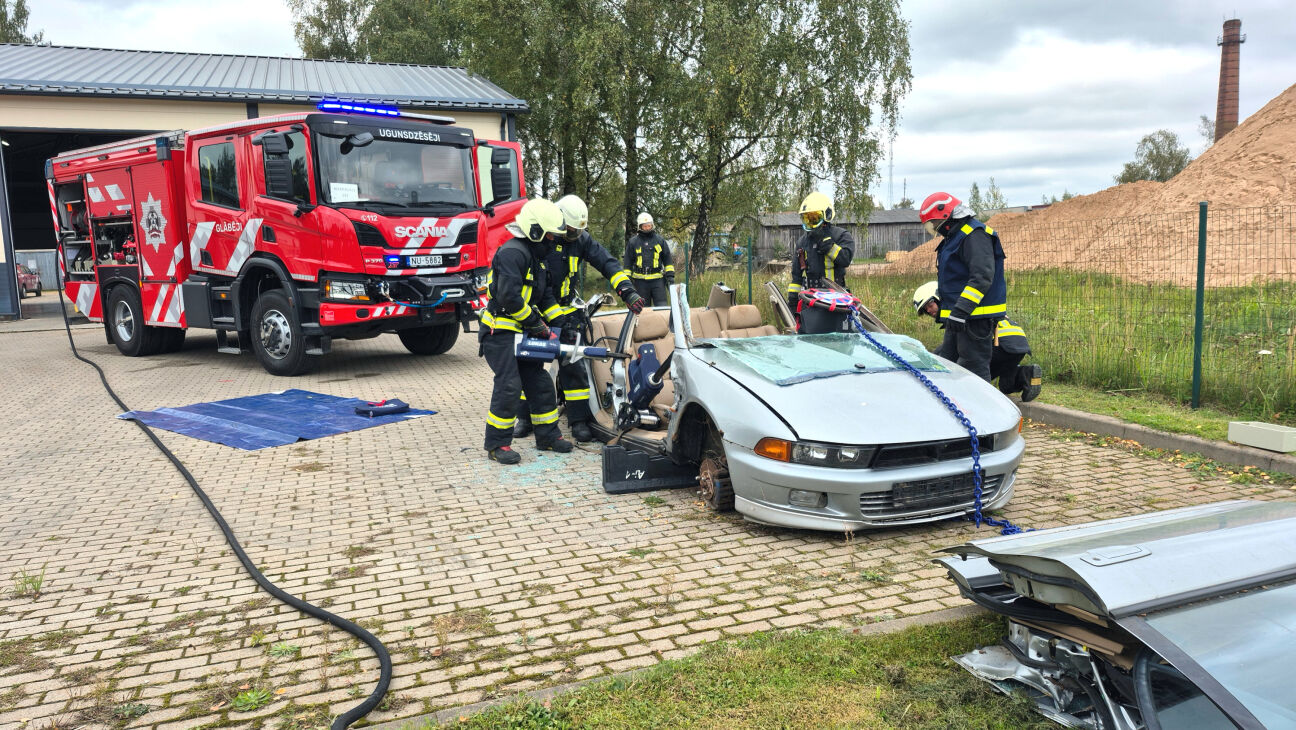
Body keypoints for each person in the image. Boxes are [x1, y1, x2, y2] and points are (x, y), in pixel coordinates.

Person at [513, 195, 646, 443]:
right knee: (530, 366)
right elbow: (543, 287)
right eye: (571, 230)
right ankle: (525, 417)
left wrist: (626, 289)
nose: (574, 235)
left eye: (578, 231)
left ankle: (578, 421)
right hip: (538, 313)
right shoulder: (544, 239)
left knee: (574, 367)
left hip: (567, 311)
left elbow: (607, 263)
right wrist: (553, 319)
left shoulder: (581, 240)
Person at [479, 198, 574, 465]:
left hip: (522, 333)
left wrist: (562, 326)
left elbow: (545, 298)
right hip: (500, 332)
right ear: (536, 232)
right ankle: (498, 444)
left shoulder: (537, 260)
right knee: (510, 385)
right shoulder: (513, 253)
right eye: (551, 236)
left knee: (540, 383)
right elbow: (509, 297)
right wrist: (536, 324)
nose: (554, 242)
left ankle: (548, 437)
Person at [918, 192, 1007, 382]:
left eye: (933, 223)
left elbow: (981, 278)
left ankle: (980, 408)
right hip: (959, 317)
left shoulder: (975, 235)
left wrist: (960, 311)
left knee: (973, 367)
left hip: (974, 317)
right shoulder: (956, 236)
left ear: (945, 215)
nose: (934, 228)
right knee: (946, 361)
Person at [912, 281, 1040, 400]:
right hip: (1018, 345)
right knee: (1005, 385)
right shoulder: (974, 304)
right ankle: (1026, 374)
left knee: (969, 373)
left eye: (930, 305)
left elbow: (947, 352)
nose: (929, 311)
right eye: (925, 311)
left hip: (999, 345)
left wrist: (929, 366)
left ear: (939, 297)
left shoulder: (957, 313)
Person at [785, 191, 855, 315]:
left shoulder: (841, 236)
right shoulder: (802, 242)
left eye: (814, 218)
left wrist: (827, 245)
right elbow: (796, 276)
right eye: (807, 219)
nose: (810, 223)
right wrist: (793, 300)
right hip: (810, 300)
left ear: (826, 215)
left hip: (836, 299)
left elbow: (845, 259)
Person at [624, 212, 674, 305]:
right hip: (640, 282)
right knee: (643, 310)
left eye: (649, 225)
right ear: (640, 227)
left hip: (658, 281)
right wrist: (627, 279)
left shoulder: (660, 240)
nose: (647, 228)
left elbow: (667, 259)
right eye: (645, 226)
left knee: (661, 308)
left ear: (652, 225)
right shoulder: (633, 242)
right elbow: (627, 262)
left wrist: (670, 276)